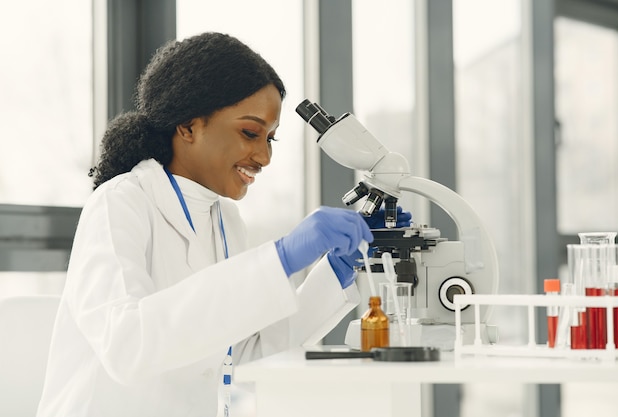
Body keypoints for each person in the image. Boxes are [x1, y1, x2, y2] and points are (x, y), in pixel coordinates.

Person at [36, 32, 410, 417]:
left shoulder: (225, 220)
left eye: (270, 139)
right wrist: (278, 259)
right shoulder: (120, 203)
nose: (263, 157)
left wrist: (333, 271)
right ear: (188, 126)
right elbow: (127, 346)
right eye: (250, 133)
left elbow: (239, 355)